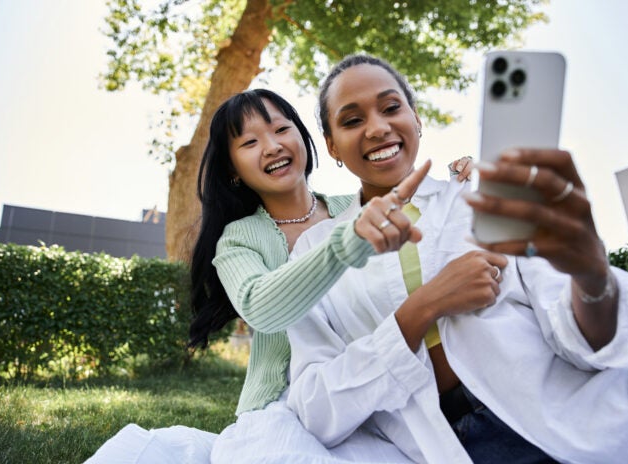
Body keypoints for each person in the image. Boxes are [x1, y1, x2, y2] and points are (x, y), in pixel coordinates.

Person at [285, 53, 628, 463]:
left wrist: (591, 277)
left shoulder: (482, 200)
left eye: (392, 108)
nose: (377, 128)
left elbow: (582, 339)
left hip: (576, 405)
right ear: (332, 145)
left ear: (417, 119)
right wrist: (424, 306)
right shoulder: (316, 252)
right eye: (352, 120)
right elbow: (316, 407)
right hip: (454, 444)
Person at [85, 87, 473, 463]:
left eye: (281, 129)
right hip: (283, 403)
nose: (271, 146)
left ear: (306, 139)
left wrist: (458, 189)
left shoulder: (352, 205)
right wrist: (346, 243)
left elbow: (420, 248)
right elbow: (261, 306)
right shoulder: (239, 239)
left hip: (370, 389)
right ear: (233, 170)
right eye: (249, 143)